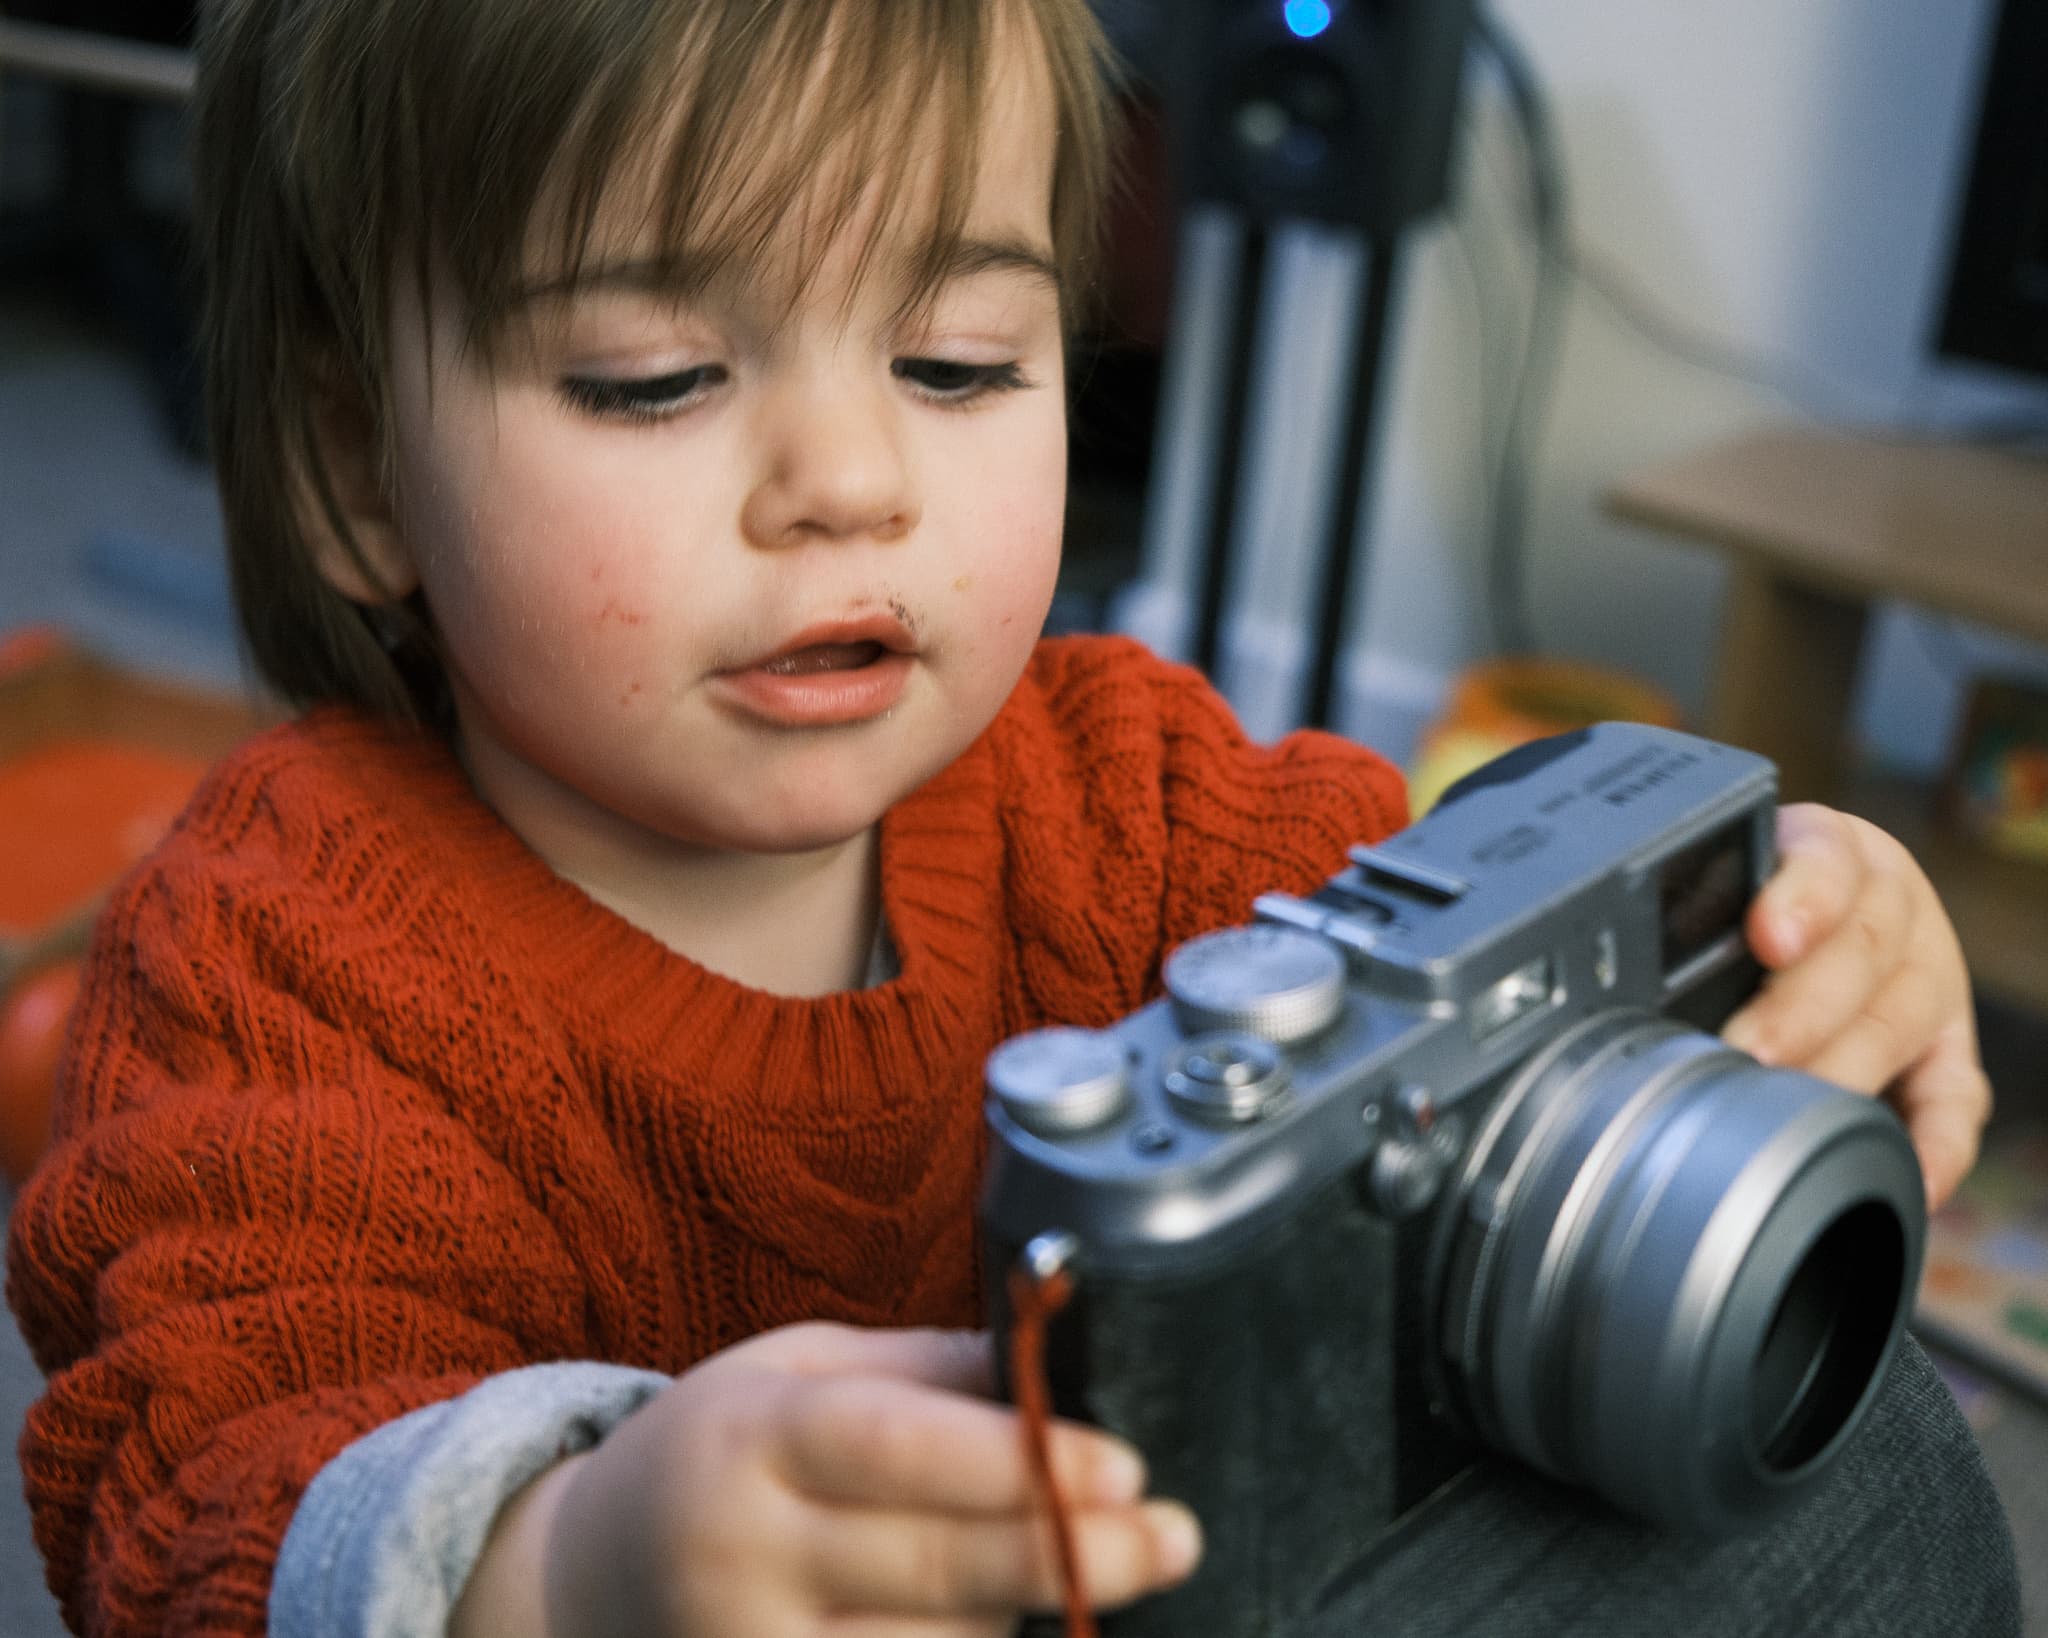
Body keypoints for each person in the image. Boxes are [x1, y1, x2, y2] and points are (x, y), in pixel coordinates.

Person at [2, 0, 1999, 1634]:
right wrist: (574, 1562)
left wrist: (1778, 952)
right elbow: (188, 1503)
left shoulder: (1127, 792)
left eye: (959, 359)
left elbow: (1452, 999)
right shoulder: (280, 962)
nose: (851, 481)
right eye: (654, 376)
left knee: (1872, 1456)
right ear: (358, 470)